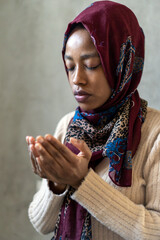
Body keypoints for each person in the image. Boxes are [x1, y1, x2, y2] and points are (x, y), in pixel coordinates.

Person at [26, 1, 160, 239]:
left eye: (91, 65)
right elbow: (40, 223)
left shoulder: (154, 133)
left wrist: (81, 181)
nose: (77, 79)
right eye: (69, 66)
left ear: (122, 63)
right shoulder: (68, 125)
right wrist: (56, 182)